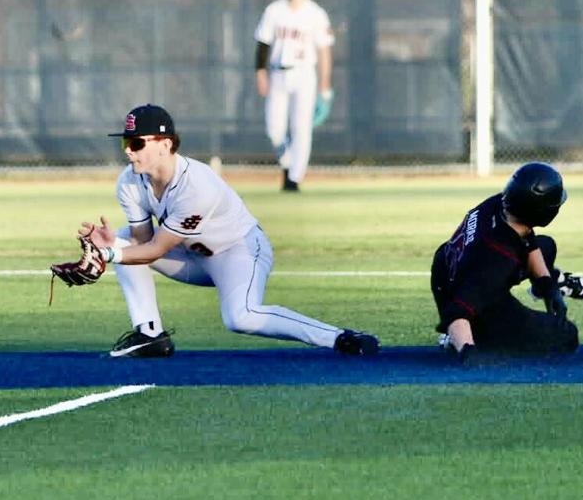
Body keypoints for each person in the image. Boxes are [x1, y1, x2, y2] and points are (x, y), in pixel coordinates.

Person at [60, 103, 378, 358]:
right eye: (126, 143)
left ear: (165, 144)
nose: (129, 151)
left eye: (137, 143)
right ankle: (150, 334)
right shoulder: (130, 181)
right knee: (122, 239)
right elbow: (142, 242)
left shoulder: (196, 185)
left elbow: (156, 250)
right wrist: (112, 244)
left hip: (238, 251)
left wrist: (108, 254)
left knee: (241, 317)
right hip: (191, 256)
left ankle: (338, 337)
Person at [430, 162, 583, 364]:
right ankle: (468, 338)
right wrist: (469, 352)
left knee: (545, 246)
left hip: (449, 267)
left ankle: (557, 280)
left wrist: (547, 285)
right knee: (565, 335)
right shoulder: (497, 260)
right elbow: (456, 311)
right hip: (473, 298)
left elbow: (528, 240)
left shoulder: (499, 204)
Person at [253, 0, 335, 193]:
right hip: (278, 73)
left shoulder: (316, 14)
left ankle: (294, 178)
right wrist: (260, 72)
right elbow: (263, 43)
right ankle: (288, 163)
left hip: (304, 73)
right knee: (274, 129)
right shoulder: (274, 11)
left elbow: (324, 52)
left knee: (301, 128)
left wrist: (325, 87)